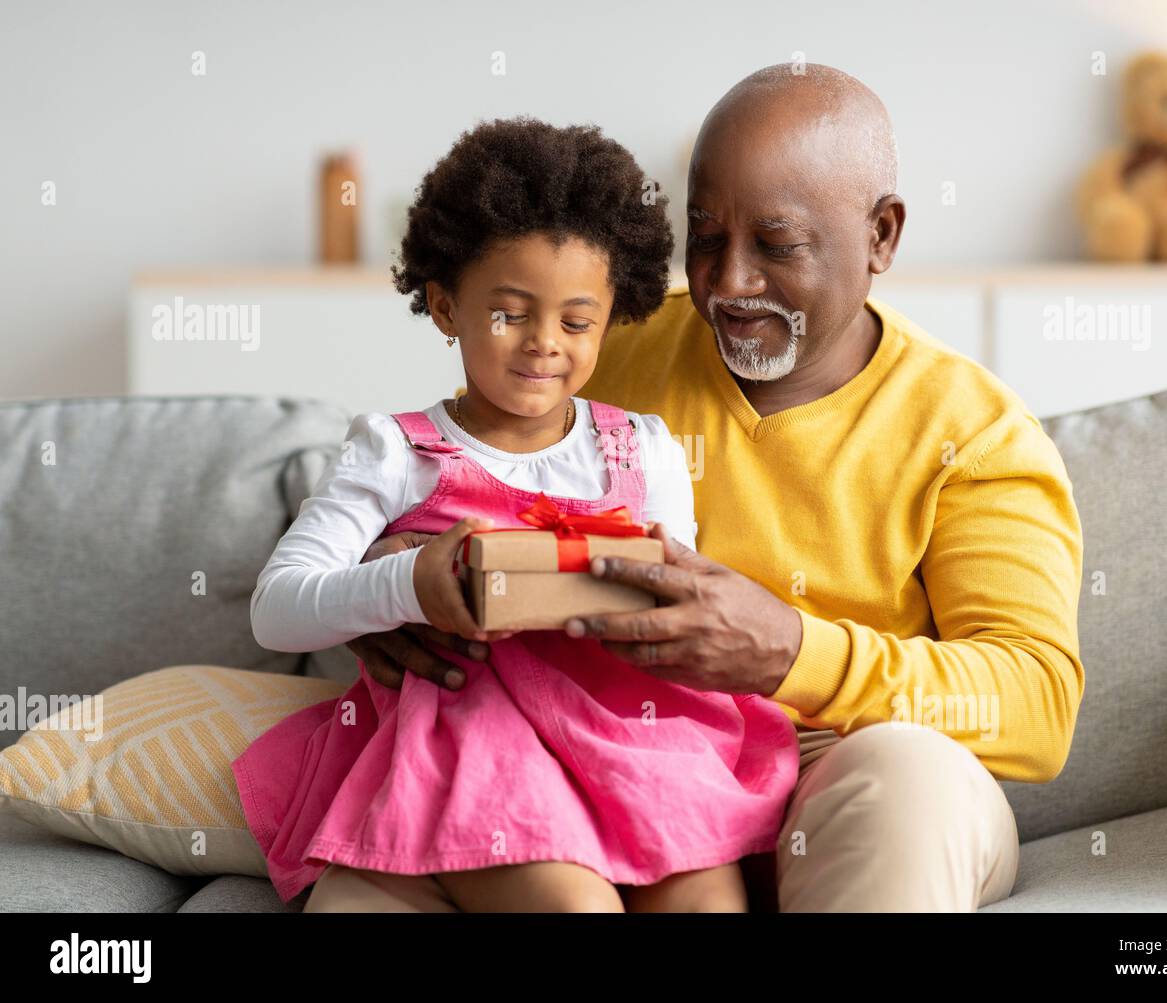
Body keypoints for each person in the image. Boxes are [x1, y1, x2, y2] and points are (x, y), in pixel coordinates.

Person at [340, 64, 1086, 913]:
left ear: (881, 235)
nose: (728, 283)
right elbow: (440, 467)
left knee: (905, 769)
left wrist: (788, 652)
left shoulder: (975, 430)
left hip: (842, 768)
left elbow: (1036, 699)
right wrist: (388, 576)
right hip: (618, 753)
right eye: (705, 236)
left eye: (777, 244)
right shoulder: (607, 345)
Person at [231, 116, 801, 913]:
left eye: (576, 321)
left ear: (610, 320)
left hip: (634, 739)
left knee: (708, 901)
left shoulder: (645, 449)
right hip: (478, 746)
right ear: (443, 306)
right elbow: (276, 608)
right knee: (573, 904)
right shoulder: (397, 450)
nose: (543, 343)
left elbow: (683, 589)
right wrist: (409, 583)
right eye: (509, 313)